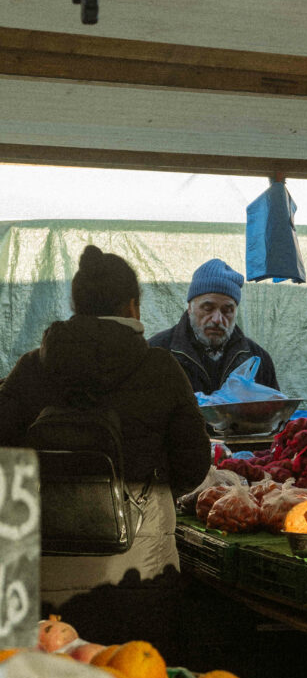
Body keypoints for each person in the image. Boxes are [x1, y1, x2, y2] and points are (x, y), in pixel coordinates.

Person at [0, 245, 212, 611]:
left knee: (39, 666)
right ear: (132, 306)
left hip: (36, 572)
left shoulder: (30, 369)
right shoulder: (160, 369)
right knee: (132, 666)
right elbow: (193, 463)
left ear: (77, 305)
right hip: (137, 573)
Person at [148, 259, 279, 394]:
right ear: (190, 308)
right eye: (208, 308)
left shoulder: (256, 359)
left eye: (227, 310)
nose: (217, 319)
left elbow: (275, 412)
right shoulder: (157, 354)